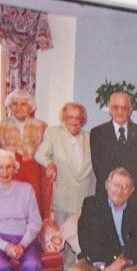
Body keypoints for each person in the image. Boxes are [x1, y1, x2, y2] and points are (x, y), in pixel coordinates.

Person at [35, 100, 95, 236]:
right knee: (61, 237)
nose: (74, 121)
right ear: (64, 118)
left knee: (80, 237)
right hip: (63, 197)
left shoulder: (90, 137)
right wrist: (49, 164)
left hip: (84, 197)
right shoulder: (54, 133)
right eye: (70, 117)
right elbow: (40, 154)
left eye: (78, 117)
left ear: (82, 120)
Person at [88, 90, 137, 200]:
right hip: (107, 192)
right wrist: (117, 188)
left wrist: (130, 188)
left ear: (130, 110)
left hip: (134, 193)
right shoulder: (97, 133)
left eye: (124, 108)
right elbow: (99, 168)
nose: (120, 111)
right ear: (110, 109)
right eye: (115, 107)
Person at [0, 90, 47, 160]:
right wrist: (3, 151)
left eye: (23, 104)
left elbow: (47, 153)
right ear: (10, 107)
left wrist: (33, 157)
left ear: (30, 107)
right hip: (9, 165)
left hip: (33, 165)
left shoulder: (42, 126)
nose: (18, 108)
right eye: (15, 104)